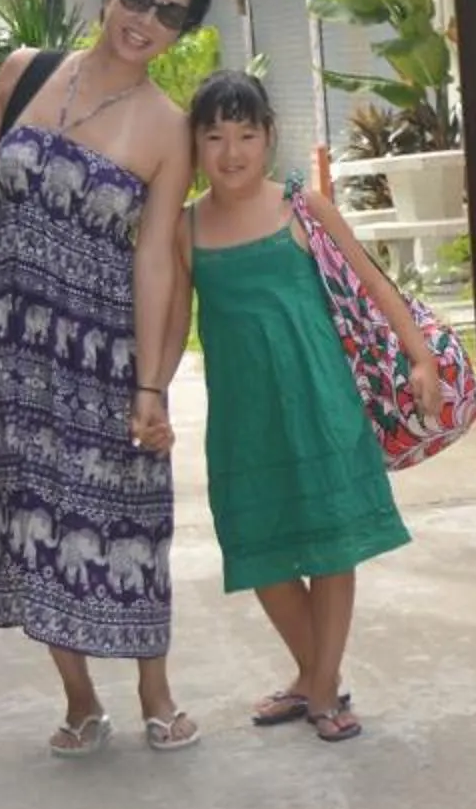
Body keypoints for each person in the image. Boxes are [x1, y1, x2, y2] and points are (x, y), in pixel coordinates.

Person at [0, 0, 207, 755]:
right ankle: (80, 699)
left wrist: (152, 386)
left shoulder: (168, 128)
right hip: (8, 349)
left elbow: (156, 258)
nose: (146, 20)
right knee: (29, 518)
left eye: (169, 13)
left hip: (102, 357)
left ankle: (156, 689)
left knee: (128, 519)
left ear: (181, 33)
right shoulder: (25, 72)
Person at [158, 70, 434, 743]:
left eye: (245, 135)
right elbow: (171, 323)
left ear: (269, 138)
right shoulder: (187, 227)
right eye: (215, 136)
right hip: (244, 421)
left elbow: (371, 279)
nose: (231, 152)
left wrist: (420, 356)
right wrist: (151, 394)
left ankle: (321, 690)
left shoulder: (302, 207)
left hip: (321, 401)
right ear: (196, 144)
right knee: (264, 551)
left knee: (333, 546)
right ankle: (317, 678)